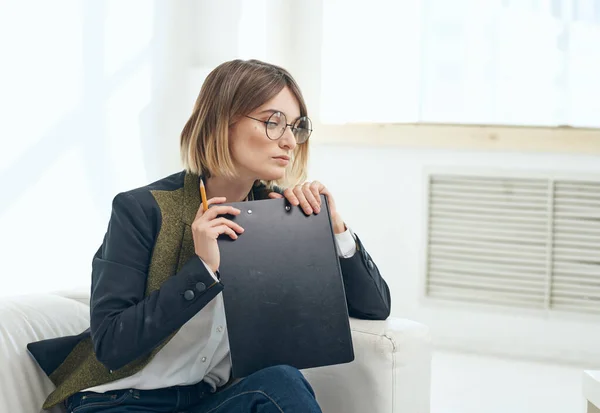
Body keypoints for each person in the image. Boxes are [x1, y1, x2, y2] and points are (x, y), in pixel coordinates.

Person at [27, 59, 391, 413]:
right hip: (120, 402)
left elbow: (374, 307)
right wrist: (202, 268)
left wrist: (336, 228)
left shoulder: (278, 213)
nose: (289, 142)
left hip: (205, 400)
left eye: (296, 127)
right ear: (222, 122)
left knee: (282, 382)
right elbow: (111, 344)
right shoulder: (141, 209)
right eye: (273, 122)